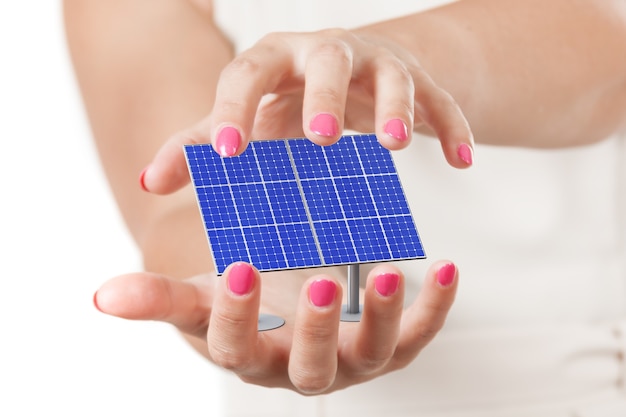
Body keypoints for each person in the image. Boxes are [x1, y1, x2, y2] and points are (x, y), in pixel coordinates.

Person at [64, 0, 626, 416]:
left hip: (577, 380)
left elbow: (609, 50)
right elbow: (179, 204)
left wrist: (394, 63)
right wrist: (253, 276)